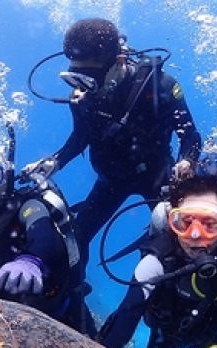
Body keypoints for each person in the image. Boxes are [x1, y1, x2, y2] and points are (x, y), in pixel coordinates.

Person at [23, 18, 202, 261]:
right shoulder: (83, 96)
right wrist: (55, 162)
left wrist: (187, 163)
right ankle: (72, 296)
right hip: (111, 179)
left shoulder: (160, 85)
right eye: (75, 76)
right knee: (74, 239)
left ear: (118, 61)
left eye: (89, 77)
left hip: (157, 175)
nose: (83, 87)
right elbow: (80, 137)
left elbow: (190, 137)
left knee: (172, 238)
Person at [96, 154, 217, 348]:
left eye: (209, 224)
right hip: (166, 334)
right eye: (184, 221)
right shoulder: (156, 262)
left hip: (210, 335)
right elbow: (124, 321)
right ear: (172, 222)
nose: (194, 234)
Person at [0, 138, 95, 336]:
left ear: (6, 173)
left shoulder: (27, 205)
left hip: (60, 319)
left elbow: (44, 235)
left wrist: (30, 261)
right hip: (2, 323)